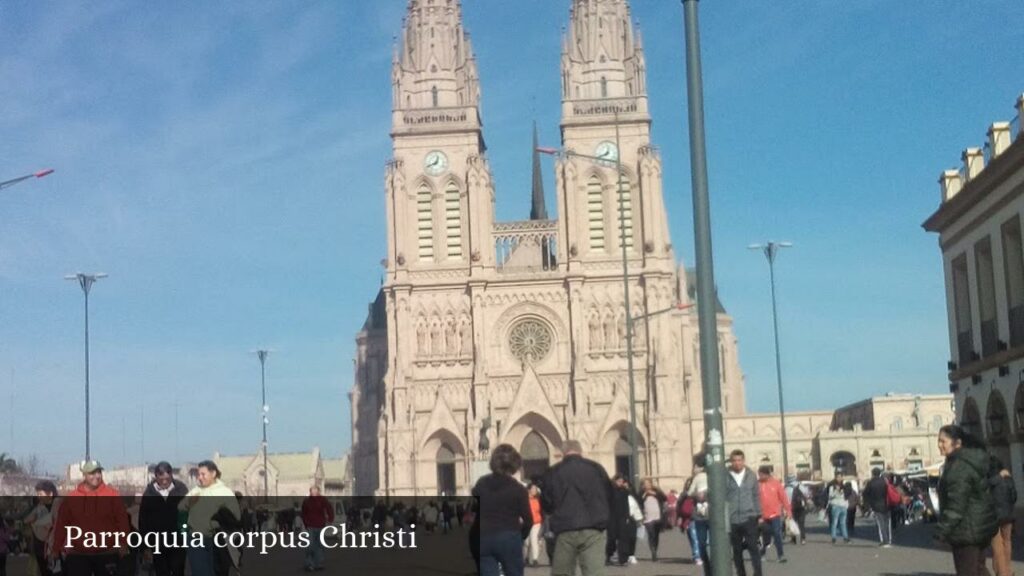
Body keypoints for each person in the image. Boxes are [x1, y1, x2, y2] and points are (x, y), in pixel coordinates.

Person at [540, 439, 611, 576]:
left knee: (562, 573)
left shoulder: (553, 472)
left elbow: (546, 502)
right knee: (594, 572)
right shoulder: (596, 468)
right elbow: (609, 494)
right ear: (580, 450)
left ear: (563, 452)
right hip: (593, 528)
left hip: (564, 528)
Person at [935, 425, 998, 576]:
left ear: (957, 443)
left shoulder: (959, 467)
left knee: (968, 571)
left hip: (966, 529)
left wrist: (942, 531)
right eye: (938, 441)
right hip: (978, 526)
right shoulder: (968, 461)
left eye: (943, 441)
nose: (939, 445)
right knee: (979, 569)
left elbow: (957, 504)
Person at [50, 460, 130, 576]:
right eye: (92, 473)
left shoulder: (112, 495)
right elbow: (61, 524)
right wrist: (56, 549)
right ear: (84, 475)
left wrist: (123, 543)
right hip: (78, 553)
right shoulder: (72, 498)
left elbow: (122, 521)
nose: (96, 476)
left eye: (98, 472)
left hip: (107, 552)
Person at [471, 444, 532, 576]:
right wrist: (520, 536)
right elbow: (528, 520)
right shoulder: (519, 489)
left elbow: (474, 509)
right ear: (515, 465)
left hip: (484, 538)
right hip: (509, 536)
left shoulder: (481, 483)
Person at [179, 460, 241, 576]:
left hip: (217, 539)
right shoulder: (196, 490)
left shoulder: (225, 492)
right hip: (195, 538)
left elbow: (236, 516)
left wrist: (218, 519)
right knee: (200, 571)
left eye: (203, 474)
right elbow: (181, 507)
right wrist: (189, 503)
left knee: (217, 571)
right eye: (198, 474)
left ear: (213, 474)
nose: (200, 477)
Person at [139, 461, 189, 576]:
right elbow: (143, 521)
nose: (165, 481)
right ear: (156, 476)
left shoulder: (181, 490)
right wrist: (145, 546)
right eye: (161, 477)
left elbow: (189, 514)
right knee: (161, 572)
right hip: (157, 542)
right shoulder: (149, 494)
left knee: (178, 571)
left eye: (167, 477)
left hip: (178, 542)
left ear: (171, 475)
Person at [725, 450, 762, 576]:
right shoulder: (725, 475)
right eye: (734, 460)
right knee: (737, 550)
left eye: (739, 460)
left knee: (753, 548)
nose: (737, 463)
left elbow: (756, 495)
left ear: (743, 461)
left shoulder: (751, 475)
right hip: (733, 518)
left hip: (749, 517)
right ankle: (741, 573)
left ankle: (758, 573)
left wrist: (759, 514)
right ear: (731, 462)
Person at [24, 481, 59, 576]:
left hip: (55, 547)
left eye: (40, 494)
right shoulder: (39, 508)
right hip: (40, 547)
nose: (38, 496)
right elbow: (27, 520)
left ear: (50, 493)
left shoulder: (58, 505)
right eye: (37, 494)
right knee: (45, 571)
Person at [756, 465, 790, 563]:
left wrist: (788, 511)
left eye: (761, 475)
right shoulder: (757, 484)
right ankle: (762, 553)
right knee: (766, 537)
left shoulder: (776, 484)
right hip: (762, 515)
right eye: (759, 475)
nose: (759, 477)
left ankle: (781, 555)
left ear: (767, 474)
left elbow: (783, 498)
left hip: (775, 514)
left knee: (777, 534)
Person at [989, 463, 1016, 576]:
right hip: (1008, 515)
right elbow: (1014, 496)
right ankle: (1008, 569)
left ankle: (1000, 571)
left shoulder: (991, 481)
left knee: (997, 544)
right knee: (1007, 542)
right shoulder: (1009, 480)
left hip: (994, 516)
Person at [301, 486, 335, 572]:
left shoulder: (323, 500)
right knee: (310, 545)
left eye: (315, 491)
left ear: (318, 491)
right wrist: (306, 524)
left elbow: (329, 509)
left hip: (320, 525)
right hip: (310, 526)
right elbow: (303, 513)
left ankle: (319, 563)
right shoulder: (306, 501)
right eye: (312, 491)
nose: (314, 492)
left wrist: (330, 518)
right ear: (310, 492)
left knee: (319, 545)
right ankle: (309, 564)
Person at [686, 456, 710, 571]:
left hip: (700, 511)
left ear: (699, 467)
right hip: (713, 510)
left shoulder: (698, 477)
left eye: (695, 466)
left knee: (700, 537)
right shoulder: (714, 475)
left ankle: (700, 557)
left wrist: (698, 493)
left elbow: (689, 493)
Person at [605, 475, 635, 566]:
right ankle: (609, 555)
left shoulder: (624, 491)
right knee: (612, 538)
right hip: (612, 518)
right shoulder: (609, 491)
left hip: (622, 517)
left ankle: (623, 559)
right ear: (615, 481)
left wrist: (627, 516)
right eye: (619, 481)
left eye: (622, 481)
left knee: (623, 539)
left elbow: (626, 504)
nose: (621, 483)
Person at [862, 468, 894, 547]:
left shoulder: (870, 483)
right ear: (880, 473)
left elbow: (865, 494)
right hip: (886, 504)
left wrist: (867, 506)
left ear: (872, 473)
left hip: (876, 505)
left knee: (881, 524)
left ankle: (884, 541)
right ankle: (889, 539)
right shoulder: (884, 481)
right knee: (887, 523)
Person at [638, 478, 666, 561]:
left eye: (648, 483)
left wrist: (654, 493)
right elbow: (639, 501)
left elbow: (664, 498)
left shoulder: (656, 491)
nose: (647, 485)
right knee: (651, 534)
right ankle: (653, 551)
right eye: (645, 484)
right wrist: (645, 494)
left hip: (657, 516)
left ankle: (655, 549)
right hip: (647, 517)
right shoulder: (641, 493)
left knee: (656, 535)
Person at [827, 473, 851, 544]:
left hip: (843, 506)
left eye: (840, 477)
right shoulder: (832, 486)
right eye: (838, 477)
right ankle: (834, 537)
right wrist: (836, 491)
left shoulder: (844, 486)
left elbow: (847, 496)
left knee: (843, 523)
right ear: (835, 478)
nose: (839, 478)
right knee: (834, 522)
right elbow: (830, 495)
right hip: (836, 506)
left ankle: (845, 538)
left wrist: (846, 505)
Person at [785, 476, 808, 545]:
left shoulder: (787, 488)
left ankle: (793, 539)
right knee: (801, 524)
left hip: (792, 508)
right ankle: (803, 539)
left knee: (792, 523)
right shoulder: (800, 485)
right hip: (801, 507)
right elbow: (807, 494)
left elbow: (785, 499)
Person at [524, 484, 543, 567]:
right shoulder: (524, 500)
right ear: (529, 490)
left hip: (536, 523)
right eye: (533, 489)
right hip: (526, 523)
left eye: (535, 489)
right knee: (526, 542)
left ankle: (535, 559)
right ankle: (526, 558)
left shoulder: (538, 500)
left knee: (534, 540)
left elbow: (542, 511)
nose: (535, 490)